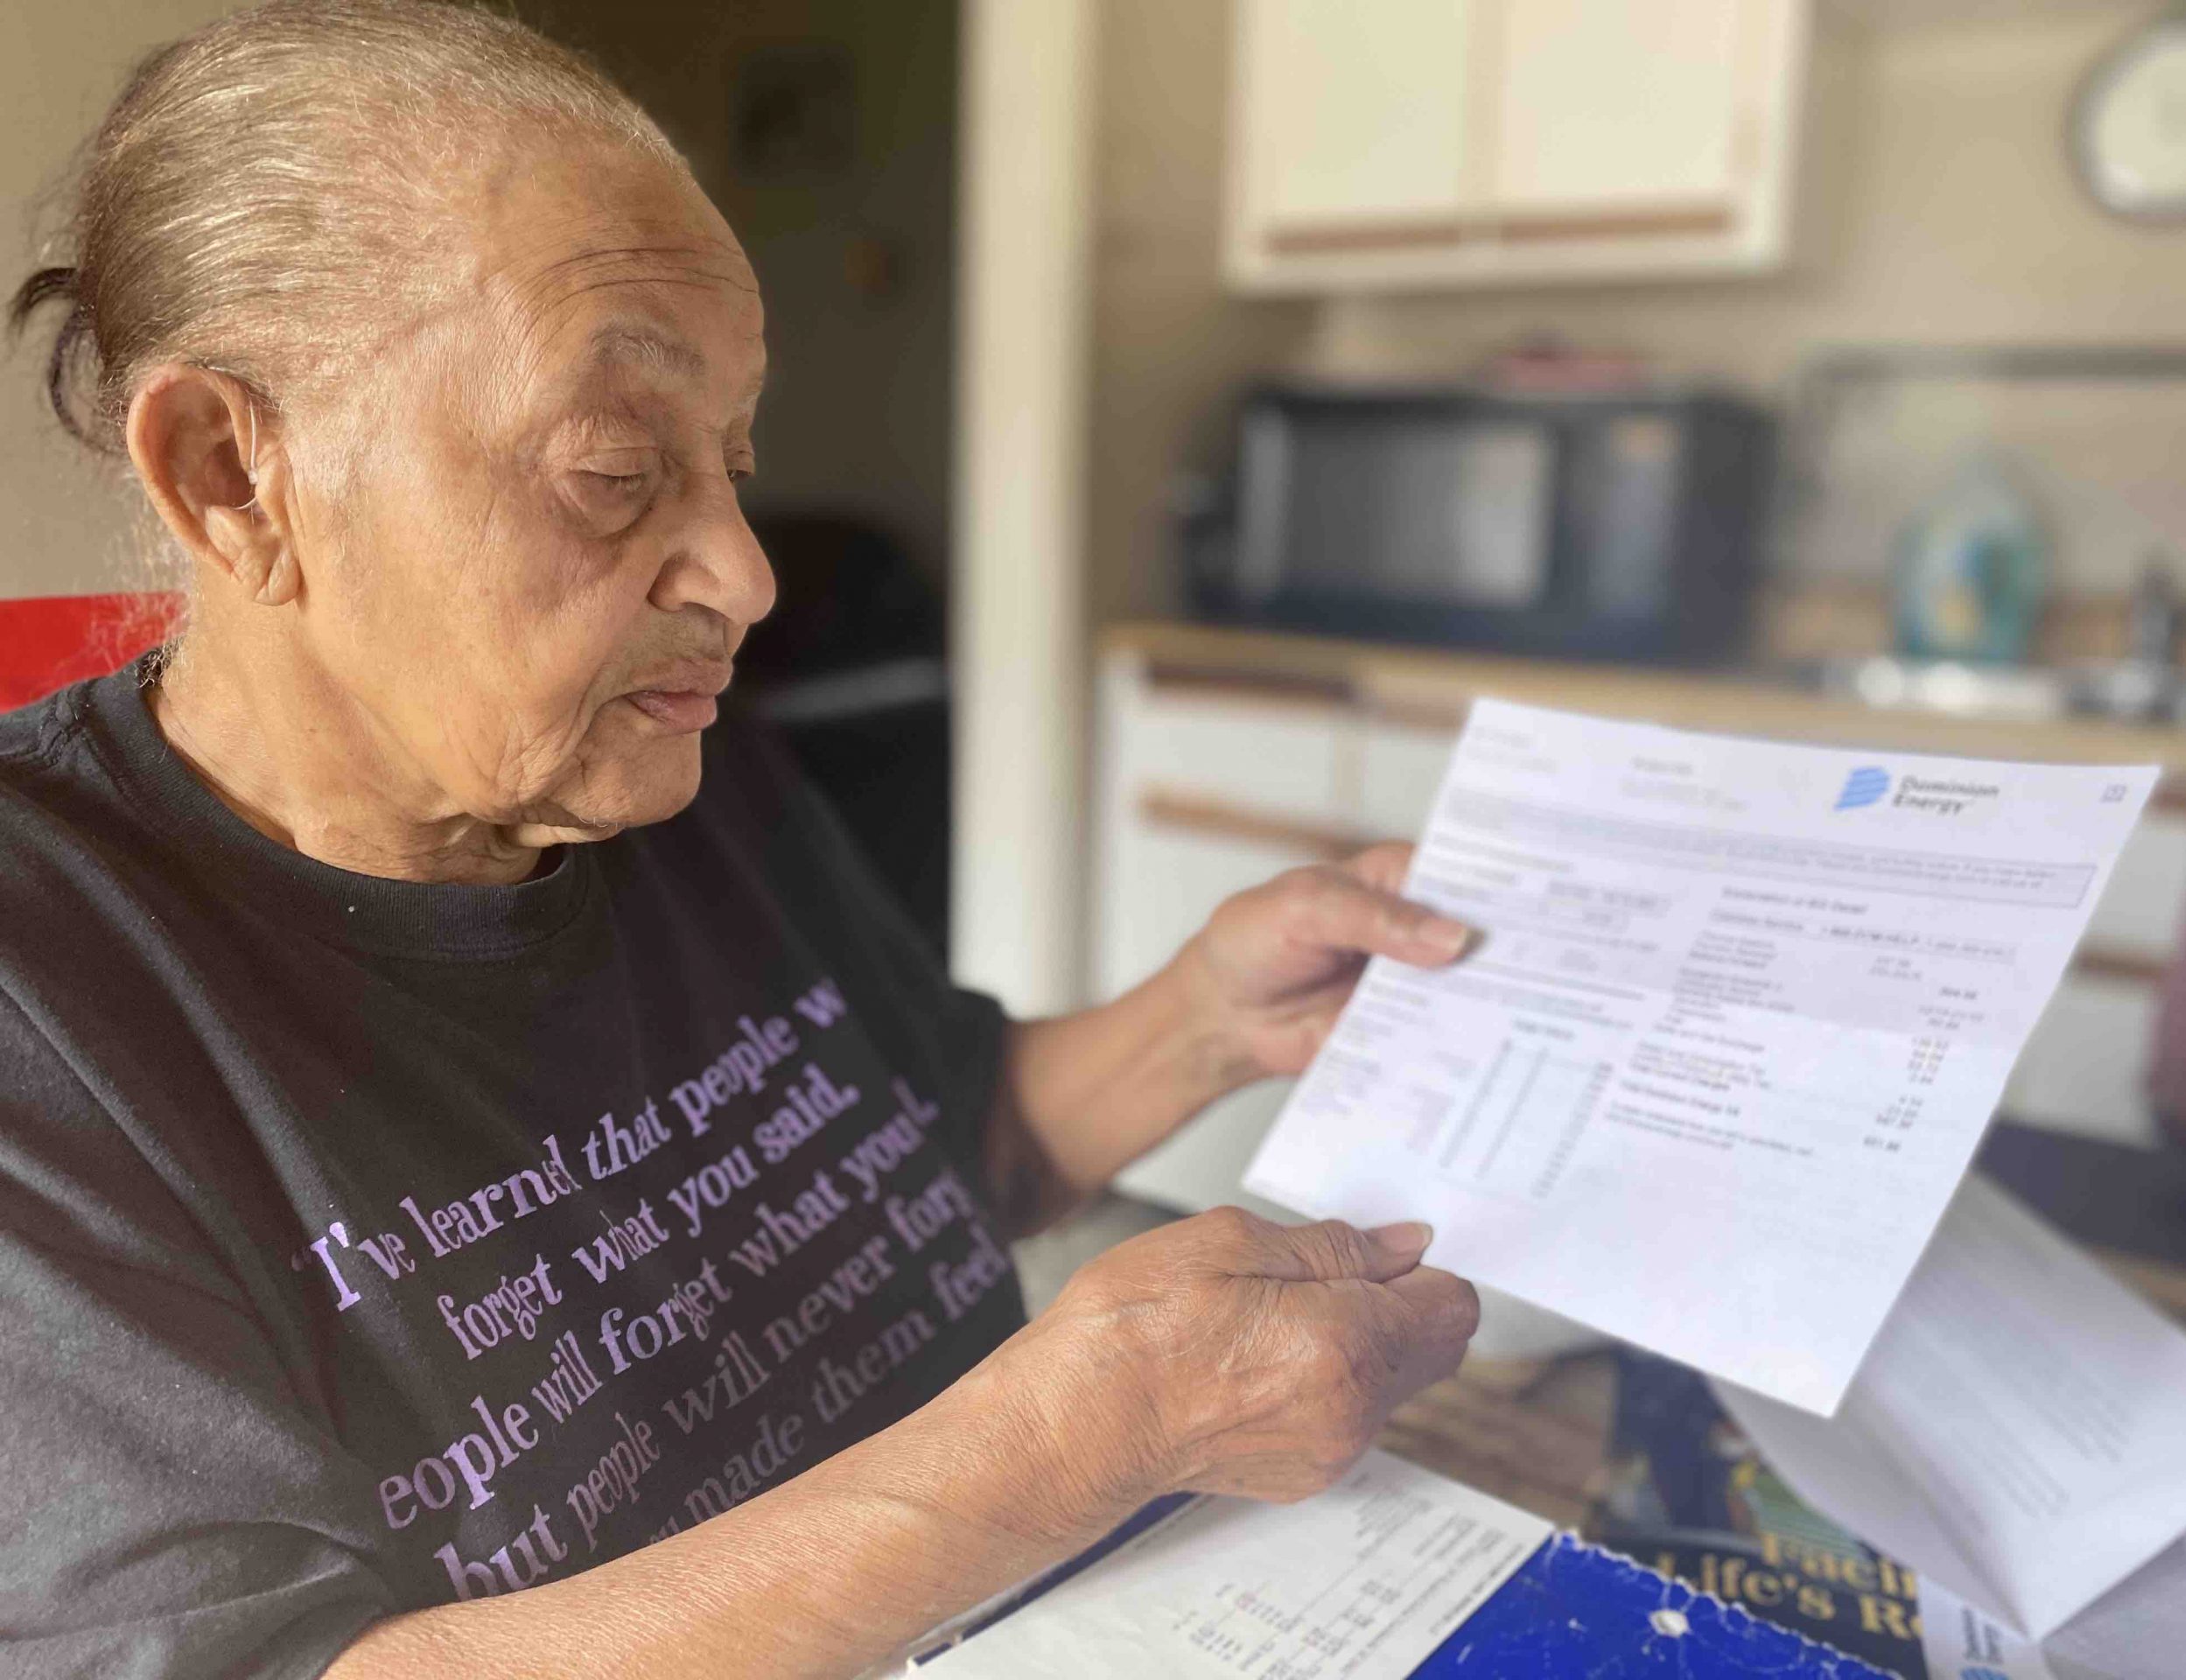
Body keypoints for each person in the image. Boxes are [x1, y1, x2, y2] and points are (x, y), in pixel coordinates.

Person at [0, 4, 1481, 1675]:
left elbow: (939, 1153)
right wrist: (1070, 1444)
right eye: (615, 469)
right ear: (232, 479)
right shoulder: (46, 994)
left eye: (736, 460)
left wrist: (1217, 1015)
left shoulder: (663, 762)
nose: (746, 575)